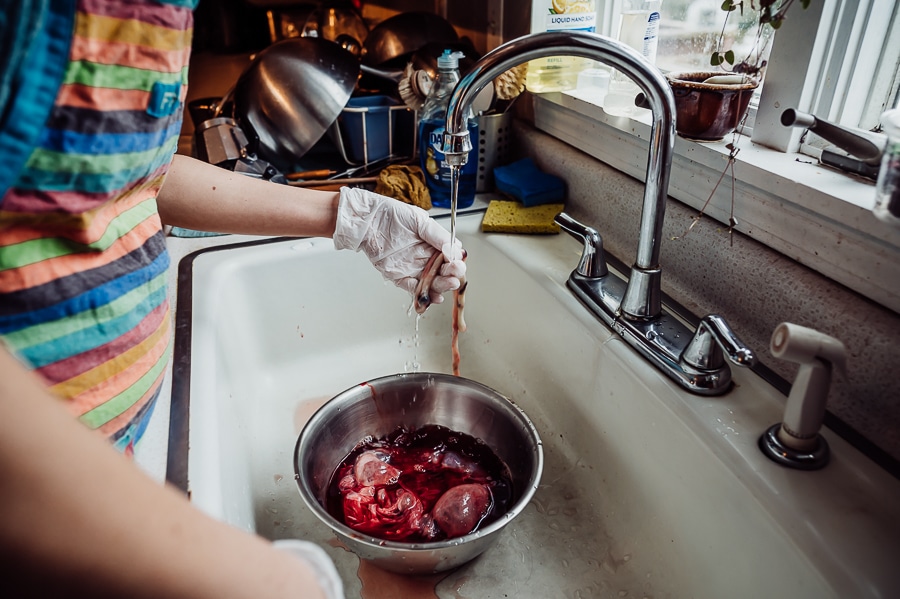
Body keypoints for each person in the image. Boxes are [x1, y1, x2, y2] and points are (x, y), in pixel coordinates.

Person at [0, 1, 464, 597]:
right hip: (37, 503)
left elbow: (137, 173)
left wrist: (352, 215)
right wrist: (265, 580)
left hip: (98, 468)